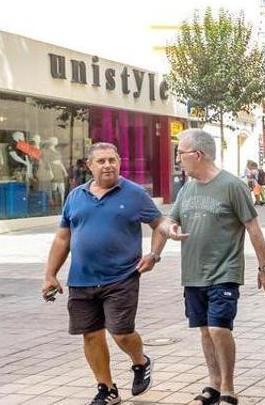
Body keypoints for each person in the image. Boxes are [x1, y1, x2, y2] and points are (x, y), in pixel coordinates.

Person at [42, 143, 166, 405]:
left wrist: (153, 255)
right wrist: (50, 274)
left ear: (119, 162)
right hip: (81, 279)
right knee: (91, 334)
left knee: (120, 333)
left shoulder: (134, 194)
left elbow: (159, 224)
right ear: (90, 165)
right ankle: (107, 388)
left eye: (112, 160)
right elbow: (63, 238)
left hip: (121, 276)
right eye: (101, 161)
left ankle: (140, 362)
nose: (108, 165)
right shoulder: (75, 196)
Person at [160, 129, 265, 405]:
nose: (178, 159)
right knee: (204, 330)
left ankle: (228, 388)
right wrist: (169, 232)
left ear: (197, 155)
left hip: (224, 271)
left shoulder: (232, 186)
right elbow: (167, 222)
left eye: (180, 153)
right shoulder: (187, 189)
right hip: (193, 273)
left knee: (219, 329)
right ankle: (213, 383)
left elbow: (253, 228)